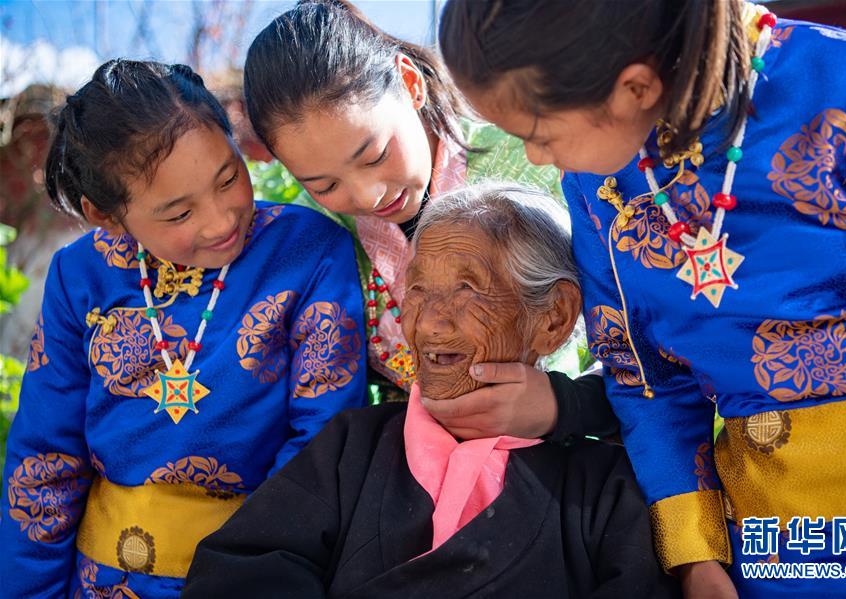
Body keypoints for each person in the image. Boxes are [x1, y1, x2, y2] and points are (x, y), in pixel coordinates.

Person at [437, 1, 846, 597]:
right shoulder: (598, 179)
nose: (534, 159)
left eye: (539, 133)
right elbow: (643, 379)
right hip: (769, 549)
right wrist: (695, 556)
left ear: (634, 87)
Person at [181, 184, 678, 598]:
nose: (431, 321)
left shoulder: (604, 487)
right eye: (417, 289)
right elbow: (239, 570)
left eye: (468, 289)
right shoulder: (351, 447)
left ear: (552, 319)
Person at [0, 60, 366, 598]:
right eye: (177, 214)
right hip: (99, 583)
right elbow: (45, 458)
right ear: (105, 215)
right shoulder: (81, 275)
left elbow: (323, 437)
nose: (220, 220)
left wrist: (253, 576)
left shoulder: (307, 252)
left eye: (228, 177)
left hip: (258, 575)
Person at [242, 0, 613, 446]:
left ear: (410, 82)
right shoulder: (319, 235)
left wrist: (562, 403)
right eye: (324, 184)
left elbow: (655, 342)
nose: (365, 196)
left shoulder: (540, 163)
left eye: (375, 155)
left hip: (568, 474)